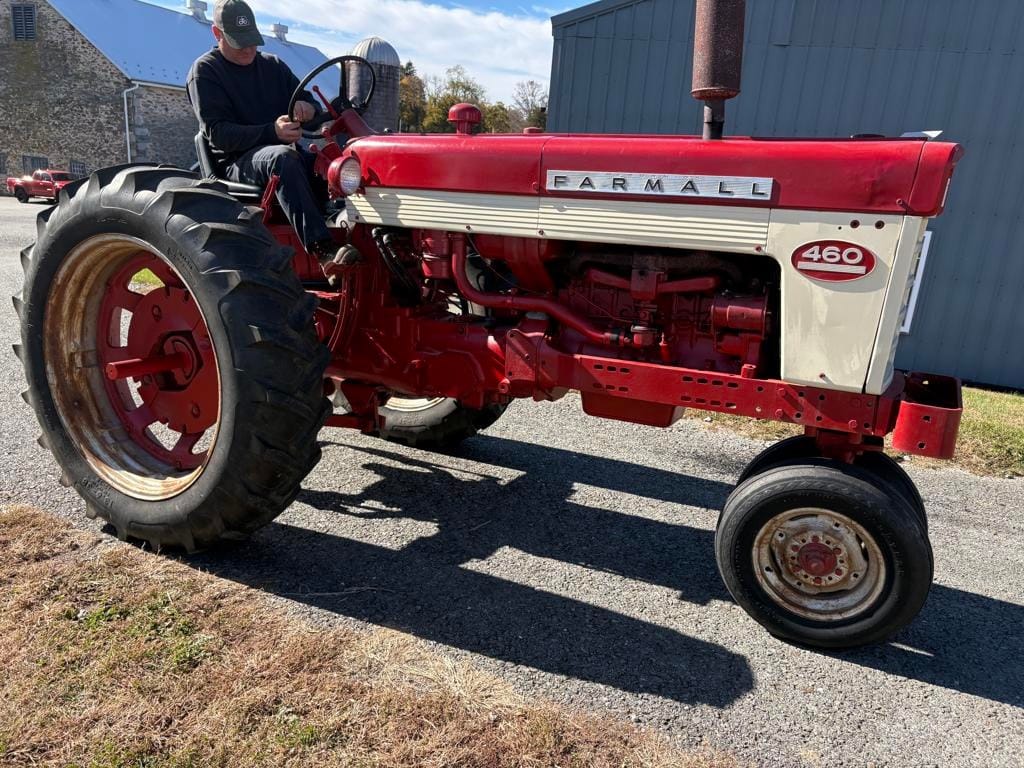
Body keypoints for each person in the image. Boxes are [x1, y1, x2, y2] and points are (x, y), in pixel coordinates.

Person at [186, 0, 342, 268]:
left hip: (281, 154)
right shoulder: (206, 72)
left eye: (252, 40)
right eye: (239, 41)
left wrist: (307, 107)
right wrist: (272, 132)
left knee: (332, 165)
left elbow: (309, 105)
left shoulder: (273, 66)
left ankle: (349, 231)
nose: (248, 48)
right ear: (217, 34)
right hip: (235, 161)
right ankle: (323, 250)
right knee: (282, 158)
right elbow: (218, 134)